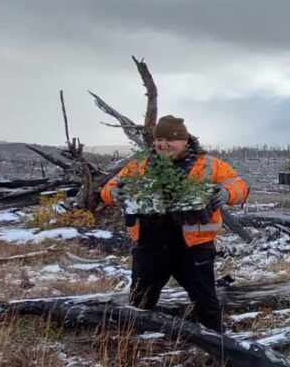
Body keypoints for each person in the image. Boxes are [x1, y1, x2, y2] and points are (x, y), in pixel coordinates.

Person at [100, 115, 248, 333]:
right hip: (149, 246)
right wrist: (113, 192)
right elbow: (109, 187)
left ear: (185, 141)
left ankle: (219, 345)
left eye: (170, 140)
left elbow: (239, 185)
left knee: (206, 304)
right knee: (140, 302)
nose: (163, 144)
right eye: (159, 139)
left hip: (193, 248)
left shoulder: (208, 164)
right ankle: (134, 343)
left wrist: (227, 193)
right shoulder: (139, 165)